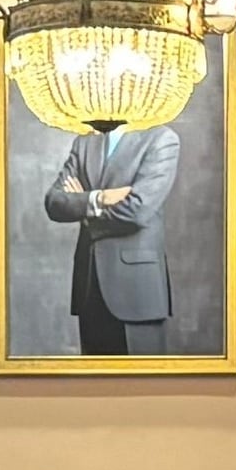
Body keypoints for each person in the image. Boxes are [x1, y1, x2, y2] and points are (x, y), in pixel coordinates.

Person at [42, 116, 182, 355]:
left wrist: (85, 210)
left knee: (144, 387)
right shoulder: (84, 144)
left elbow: (137, 211)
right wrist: (101, 198)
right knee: (94, 386)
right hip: (89, 286)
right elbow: (54, 202)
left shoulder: (161, 139)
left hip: (137, 289)